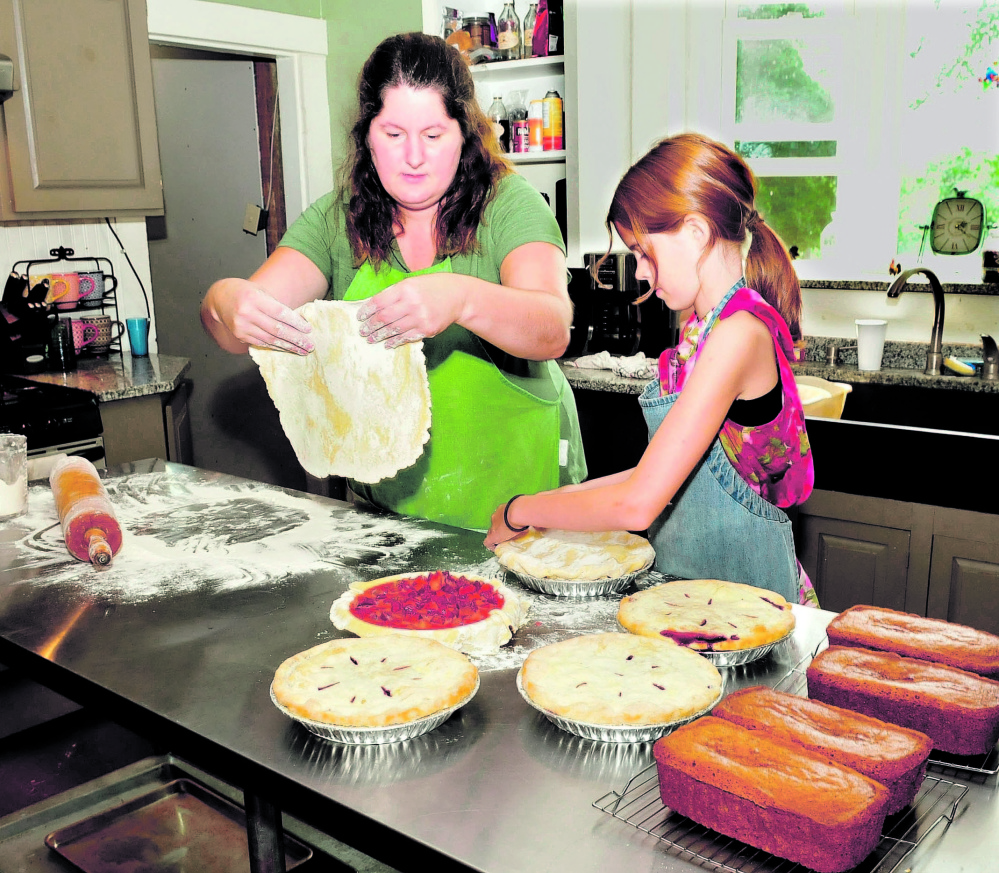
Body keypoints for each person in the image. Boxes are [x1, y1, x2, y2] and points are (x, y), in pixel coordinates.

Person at [201, 32, 585, 531]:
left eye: (433, 135)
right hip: (389, 517)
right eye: (393, 133)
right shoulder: (340, 219)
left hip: (521, 510)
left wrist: (462, 299)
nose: (413, 158)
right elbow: (235, 329)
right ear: (367, 135)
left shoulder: (508, 206)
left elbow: (553, 328)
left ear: (464, 134)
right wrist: (224, 299)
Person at [485, 133, 817, 607]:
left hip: (750, 601)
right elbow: (650, 474)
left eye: (643, 250)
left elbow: (639, 501)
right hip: (700, 596)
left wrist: (522, 511)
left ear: (697, 232)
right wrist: (550, 509)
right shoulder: (703, 333)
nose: (639, 272)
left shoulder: (739, 334)